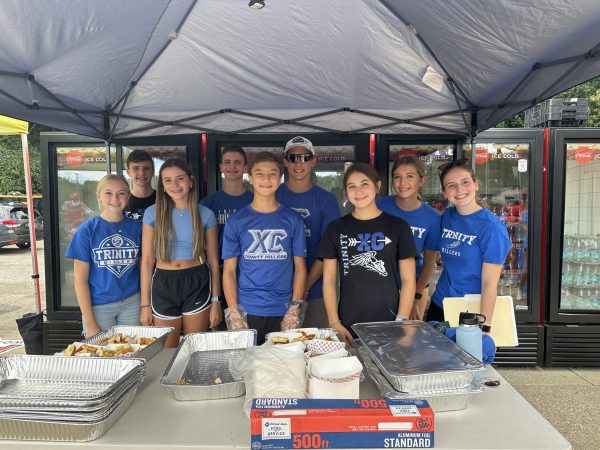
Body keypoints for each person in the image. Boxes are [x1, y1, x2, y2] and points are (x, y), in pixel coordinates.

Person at [319, 163, 417, 345]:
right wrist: (334, 322)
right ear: (346, 192)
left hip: (390, 322)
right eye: (352, 187)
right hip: (348, 322)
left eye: (365, 184)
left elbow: (409, 280)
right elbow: (329, 280)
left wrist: (401, 321)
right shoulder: (335, 228)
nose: (359, 191)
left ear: (377, 186)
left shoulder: (398, 227)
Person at [222, 151, 307, 344]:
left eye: (272, 174)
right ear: (250, 178)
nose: (266, 179)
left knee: (282, 368)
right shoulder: (236, 221)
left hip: (283, 310)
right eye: (259, 173)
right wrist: (234, 312)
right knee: (247, 368)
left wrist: (294, 309)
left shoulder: (293, 220)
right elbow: (229, 271)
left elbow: (300, 268)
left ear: (280, 179)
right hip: (247, 309)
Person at [140, 158, 222, 348]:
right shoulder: (152, 213)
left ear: (190, 181)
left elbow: (213, 260)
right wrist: (145, 305)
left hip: (197, 281)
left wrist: (216, 300)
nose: (174, 185)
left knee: (193, 347)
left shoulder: (206, 214)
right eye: (167, 180)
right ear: (161, 185)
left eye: (180, 179)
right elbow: (147, 261)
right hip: (163, 282)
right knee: (167, 350)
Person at [427, 159, 511, 332]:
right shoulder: (447, 216)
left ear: (476, 184)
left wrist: (484, 327)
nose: (459, 189)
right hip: (440, 304)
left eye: (465, 182)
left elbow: (489, 283)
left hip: (471, 311)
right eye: (451, 185)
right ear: (444, 192)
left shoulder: (491, 227)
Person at [65, 175, 142, 338]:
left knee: (133, 352)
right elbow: (80, 281)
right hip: (99, 306)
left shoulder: (138, 228)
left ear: (128, 197)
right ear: (98, 196)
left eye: (121, 193)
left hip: (133, 302)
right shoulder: (87, 231)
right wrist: (90, 322)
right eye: (108, 193)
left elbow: (145, 267)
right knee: (103, 357)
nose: (115, 198)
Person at [276, 136, 340, 328]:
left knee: (315, 349)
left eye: (305, 157)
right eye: (293, 158)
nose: (299, 163)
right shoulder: (273, 195)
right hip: (278, 291)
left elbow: (328, 250)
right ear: (285, 162)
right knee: (280, 350)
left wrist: (304, 286)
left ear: (314, 160)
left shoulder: (326, 200)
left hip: (317, 291)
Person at [377, 155, 441, 320]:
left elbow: (428, 263)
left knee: (408, 340)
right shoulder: (379, 205)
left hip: (415, 288)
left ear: (422, 180)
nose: (402, 182)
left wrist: (415, 296)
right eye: (397, 177)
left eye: (410, 176)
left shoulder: (433, 218)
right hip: (381, 287)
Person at [201, 145, 253, 268]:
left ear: (245, 167)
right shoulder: (207, 204)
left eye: (237, 162)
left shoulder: (256, 201)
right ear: (221, 167)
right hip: (219, 268)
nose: (232, 166)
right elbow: (201, 243)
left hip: (250, 270)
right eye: (227, 162)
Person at [124, 149, 156, 221]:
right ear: (128, 172)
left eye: (146, 168)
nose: (141, 173)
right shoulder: (122, 202)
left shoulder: (164, 199)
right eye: (136, 168)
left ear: (153, 172)